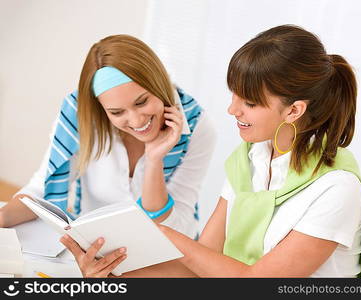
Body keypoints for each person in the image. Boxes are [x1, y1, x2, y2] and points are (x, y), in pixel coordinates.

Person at [60, 25, 361, 278]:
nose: (232, 109)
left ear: (293, 111)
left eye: (249, 103)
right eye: (235, 96)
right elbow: (201, 267)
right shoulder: (250, 160)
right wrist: (113, 272)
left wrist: (162, 235)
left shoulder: (337, 190)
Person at [0, 34, 217, 240]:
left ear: (159, 84)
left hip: (169, 252)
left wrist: (154, 160)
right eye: (116, 112)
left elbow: (175, 227)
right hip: (97, 245)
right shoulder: (80, 116)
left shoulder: (197, 126)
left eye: (141, 102)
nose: (136, 120)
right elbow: (42, 192)